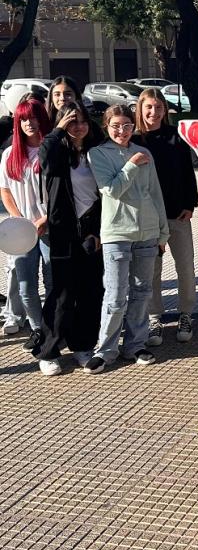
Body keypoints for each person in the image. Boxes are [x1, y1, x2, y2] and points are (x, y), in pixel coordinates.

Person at [86, 105, 169, 372]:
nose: (122, 131)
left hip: (147, 232)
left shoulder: (144, 152)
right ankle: (105, 350)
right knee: (115, 295)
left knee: (142, 292)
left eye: (127, 126)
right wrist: (130, 165)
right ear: (106, 127)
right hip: (116, 233)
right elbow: (111, 190)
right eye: (116, 126)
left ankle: (135, 345)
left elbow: (155, 193)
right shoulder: (97, 154)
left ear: (133, 127)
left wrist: (162, 231)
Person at [33, 101, 104, 375]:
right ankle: (48, 351)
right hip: (62, 230)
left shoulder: (95, 151)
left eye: (83, 121)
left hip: (90, 230)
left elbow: (103, 194)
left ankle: (83, 345)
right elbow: (45, 162)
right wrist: (58, 131)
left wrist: (97, 230)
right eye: (72, 121)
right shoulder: (57, 150)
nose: (79, 126)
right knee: (61, 293)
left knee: (90, 291)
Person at [133, 88, 198, 346]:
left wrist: (190, 204)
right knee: (152, 271)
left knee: (185, 267)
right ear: (140, 109)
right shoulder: (134, 140)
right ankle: (154, 317)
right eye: (148, 107)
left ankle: (186, 314)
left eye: (158, 107)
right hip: (148, 219)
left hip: (177, 214)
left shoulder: (176, 137)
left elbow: (187, 172)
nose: (153, 112)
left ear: (165, 110)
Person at [0, 97, 53, 351]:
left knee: (53, 280)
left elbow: (63, 191)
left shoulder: (51, 149)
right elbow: (5, 191)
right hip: (22, 232)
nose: (29, 123)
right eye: (23, 119)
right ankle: (37, 329)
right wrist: (20, 220)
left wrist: (44, 219)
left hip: (49, 227)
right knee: (25, 285)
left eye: (33, 117)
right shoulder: (10, 154)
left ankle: (54, 328)